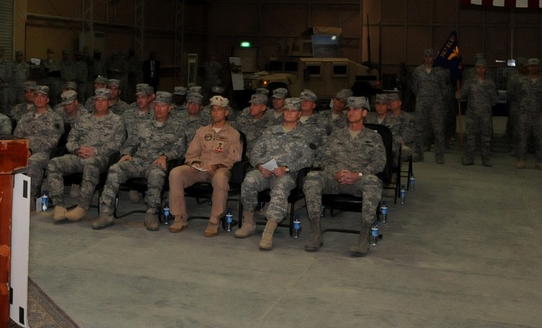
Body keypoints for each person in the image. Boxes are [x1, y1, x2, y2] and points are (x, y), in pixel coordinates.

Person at [302, 96, 386, 255]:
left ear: (364, 113)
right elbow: (324, 159)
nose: (351, 112)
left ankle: (364, 237)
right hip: (335, 179)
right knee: (312, 178)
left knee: (373, 182)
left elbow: (379, 163)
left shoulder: (374, 137)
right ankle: (316, 233)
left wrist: (358, 174)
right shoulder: (335, 136)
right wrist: (335, 173)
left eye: (356, 109)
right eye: (349, 109)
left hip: (359, 181)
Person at [92, 91, 185, 231]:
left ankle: (151, 213)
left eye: (163, 106)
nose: (159, 109)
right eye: (157, 105)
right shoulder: (143, 125)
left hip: (155, 163)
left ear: (169, 108)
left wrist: (165, 156)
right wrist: (126, 153)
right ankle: (106, 213)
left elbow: (179, 150)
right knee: (115, 169)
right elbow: (130, 143)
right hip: (138, 161)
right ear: (153, 106)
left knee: (156, 174)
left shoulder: (177, 127)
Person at [235, 97, 313, 249]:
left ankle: (269, 231)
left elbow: (308, 159)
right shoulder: (271, 131)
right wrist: (260, 166)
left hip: (286, 174)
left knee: (281, 187)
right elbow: (256, 153)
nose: (289, 113)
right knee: (249, 181)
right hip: (264, 171)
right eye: (286, 110)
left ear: (299, 114)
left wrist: (287, 168)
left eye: (293, 111)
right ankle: (249, 222)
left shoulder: (304, 134)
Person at [165, 95, 243, 234]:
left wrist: (217, 166)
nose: (215, 112)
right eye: (213, 109)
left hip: (219, 169)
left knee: (220, 178)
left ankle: (214, 221)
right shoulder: (202, 131)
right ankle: (179, 217)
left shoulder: (233, 134)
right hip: (199, 168)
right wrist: (195, 163)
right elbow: (191, 153)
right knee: (175, 173)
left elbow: (234, 158)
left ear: (226, 113)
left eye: (219, 110)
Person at [46, 88, 125, 222]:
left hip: (101, 158)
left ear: (110, 103)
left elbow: (118, 144)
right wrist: (77, 149)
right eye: (97, 100)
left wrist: (95, 151)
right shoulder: (83, 119)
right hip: (79, 155)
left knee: (90, 164)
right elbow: (70, 140)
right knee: (54, 163)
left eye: (103, 101)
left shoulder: (117, 121)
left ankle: (82, 206)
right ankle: (59, 206)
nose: (100, 103)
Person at [12, 85, 64, 204]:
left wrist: (31, 149)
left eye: (43, 96)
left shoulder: (55, 118)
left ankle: (29, 197)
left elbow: (52, 141)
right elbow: (17, 136)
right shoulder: (26, 117)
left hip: (44, 153)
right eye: (36, 96)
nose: (39, 99)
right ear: (33, 99)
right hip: (24, 151)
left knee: (33, 162)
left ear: (48, 100)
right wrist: (23, 149)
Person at [458, 58, 499, 166]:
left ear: (486, 69)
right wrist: (458, 94)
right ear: (476, 69)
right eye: (478, 68)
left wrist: (485, 107)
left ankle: (486, 159)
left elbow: (494, 99)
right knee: (470, 137)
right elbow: (463, 94)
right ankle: (469, 158)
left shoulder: (490, 83)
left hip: (485, 115)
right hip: (472, 114)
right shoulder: (470, 82)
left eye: (483, 68)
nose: (480, 70)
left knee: (486, 137)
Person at [412, 48, 450, 163]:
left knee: (438, 130)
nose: (428, 59)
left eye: (431, 56)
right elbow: (415, 88)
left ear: (434, 58)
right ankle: (419, 154)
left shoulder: (440, 72)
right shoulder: (418, 71)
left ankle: (439, 156)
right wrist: (422, 97)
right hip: (421, 104)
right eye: (426, 56)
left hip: (436, 105)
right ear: (424, 57)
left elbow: (444, 89)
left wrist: (437, 99)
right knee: (418, 130)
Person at [516, 58, 542, 170]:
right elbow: (516, 96)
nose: (533, 68)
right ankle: (521, 160)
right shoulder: (521, 81)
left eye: (535, 66)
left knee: (540, 139)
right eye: (531, 66)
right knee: (522, 138)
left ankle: (540, 162)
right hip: (524, 113)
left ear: (538, 67)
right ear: (528, 68)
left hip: (539, 114)